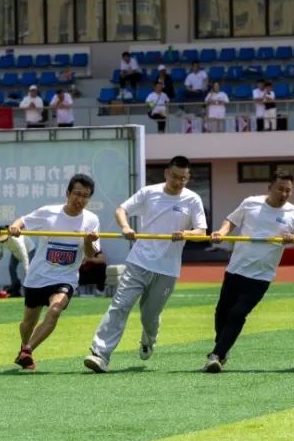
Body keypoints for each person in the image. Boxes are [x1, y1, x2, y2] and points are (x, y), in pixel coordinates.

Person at [84, 156, 207, 373]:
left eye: (183, 178)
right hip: (139, 262)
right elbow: (121, 210)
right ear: (166, 173)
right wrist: (125, 227)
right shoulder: (149, 193)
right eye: (175, 176)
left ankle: (149, 338)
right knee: (120, 306)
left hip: (167, 269)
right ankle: (99, 353)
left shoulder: (192, 199)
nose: (178, 182)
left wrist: (186, 234)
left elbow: (201, 232)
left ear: (188, 178)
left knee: (149, 316)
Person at [203, 170, 294, 373]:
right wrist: (221, 232)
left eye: (288, 190)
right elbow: (231, 221)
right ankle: (222, 349)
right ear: (269, 188)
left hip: (262, 275)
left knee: (238, 313)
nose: (284, 194)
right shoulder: (251, 203)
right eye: (280, 189)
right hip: (236, 269)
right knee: (222, 313)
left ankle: (216, 355)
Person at [7, 174, 101, 370]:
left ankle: (28, 350)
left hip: (65, 278)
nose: (80, 200)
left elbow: (91, 254)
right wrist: (15, 227)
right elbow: (22, 221)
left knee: (55, 309)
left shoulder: (91, 220)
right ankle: (24, 346)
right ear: (67, 193)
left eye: (85, 196)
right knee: (28, 323)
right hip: (38, 277)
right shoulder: (49, 212)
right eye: (77, 194)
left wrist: (88, 241)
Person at [0, 224, 34, 297]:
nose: (0, 240)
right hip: (15, 252)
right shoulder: (2, 240)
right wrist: (1, 252)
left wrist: (27, 270)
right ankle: (15, 286)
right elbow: (1, 245)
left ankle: (30, 287)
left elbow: (24, 256)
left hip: (28, 250)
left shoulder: (16, 239)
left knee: (29, 269)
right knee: (11, 267)